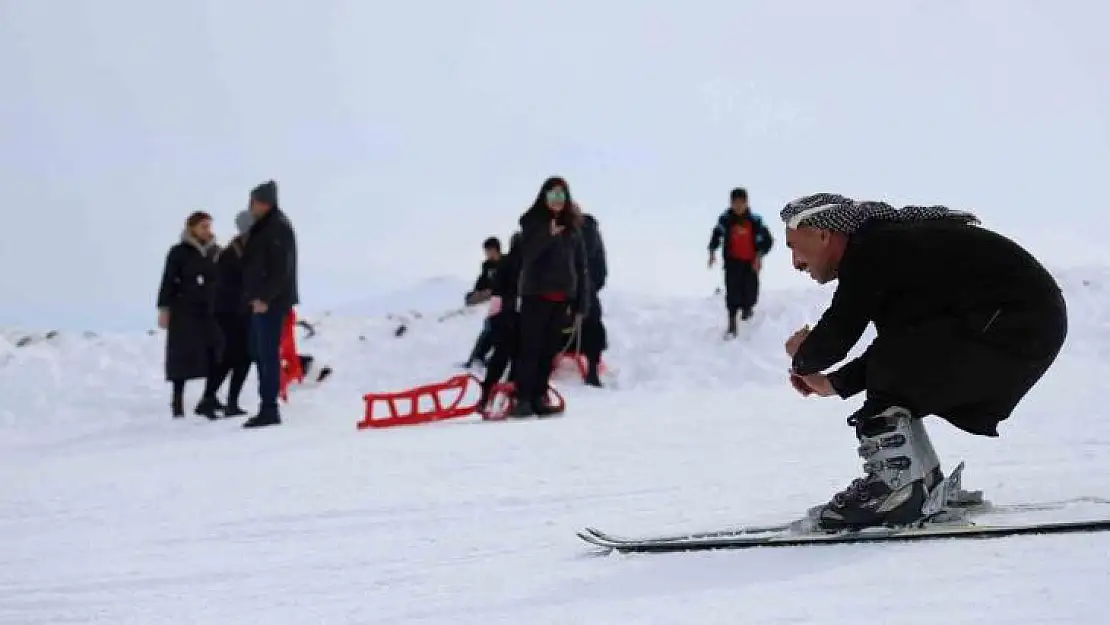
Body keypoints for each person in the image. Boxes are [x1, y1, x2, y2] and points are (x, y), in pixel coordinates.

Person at [779, 193, 1067, 531]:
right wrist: (834, 384)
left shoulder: (874, 247)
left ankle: (896, 490)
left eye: (793, 247)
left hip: (1013, 322)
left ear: (823, 234)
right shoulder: (890, 248)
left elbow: (841, 328)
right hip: (1022, 324)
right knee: (898, 366)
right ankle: (920, 484)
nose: (796, 263)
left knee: (894, 374)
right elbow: (902, 343)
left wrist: (803, 356)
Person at [511, 176, 590, 417]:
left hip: (562, 298)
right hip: (536, 295)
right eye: (553, 194)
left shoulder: (573, 229)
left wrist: (581, 302)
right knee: (530, 349)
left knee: (549, 351)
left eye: (561, 195)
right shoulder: (532, 223)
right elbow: (527, 256)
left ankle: (539, 395)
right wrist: (548, 234)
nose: (557, 199)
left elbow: (581, 267)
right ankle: (523, 398)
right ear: (544, 197)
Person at [240, 180, 299, 429]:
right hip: (261, 301)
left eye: (254, 201)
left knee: (267, 355)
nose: (252, 206)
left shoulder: (276, 228)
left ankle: (269, 408)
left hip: (270, 303)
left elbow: (279, 270)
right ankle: (267, 405)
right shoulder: (266, 227)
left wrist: (264, 297)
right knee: (260, 353)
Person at [156, 211, 223, 419]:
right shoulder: (178, 252)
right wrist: (164, 309)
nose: (208, 230)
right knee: (181, 356)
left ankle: (209, 399)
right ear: (192, 228)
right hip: (184, 310)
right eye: (203, 226)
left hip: (211, 310)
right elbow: (168, 280)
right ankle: (177, 403)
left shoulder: (216, 253)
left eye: (209, 226)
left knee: (217, 351)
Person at [202, 209, 254, 417]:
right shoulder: (236, 252)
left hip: (234, 310)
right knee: (238, 356)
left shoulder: (239, 249)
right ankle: (222, 401)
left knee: (236, 357)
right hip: (230, 311)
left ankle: (214, 399)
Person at [708, 188, 773, 336]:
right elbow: (716, 236)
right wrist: (712, 252)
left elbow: (768, 240)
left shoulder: (755, 220)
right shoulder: (725, 219)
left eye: (741, 203)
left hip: (751, 263)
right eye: (734, 203)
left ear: (746, 203)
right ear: (731, 203)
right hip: (732, 263)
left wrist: (759, 255)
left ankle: (747, 309)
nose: (738, 206)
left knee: (750, 291)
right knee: (732, 292)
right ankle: (732, 323)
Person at [476, 231, 523, 413]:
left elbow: (496, 289)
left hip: (498, 313)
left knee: (500, 356)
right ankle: (512, 394)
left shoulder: (503, 263)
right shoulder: (524, 264)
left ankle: (486, 394)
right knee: (518, 355)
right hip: (512, 314)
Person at [461, 237, 502, 368]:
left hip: (502, 298)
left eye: (490, 251)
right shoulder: (487, 266)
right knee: (488, 328)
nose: (488, 254)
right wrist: (477, 292)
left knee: (494, 328)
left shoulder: (506, 263)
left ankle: (486, 357)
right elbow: (481, 282)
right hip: (491, 298)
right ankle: (476, 358)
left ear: (496, 250)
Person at [578, 213, 608, 387]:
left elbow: (599, 268)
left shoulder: (586, 232)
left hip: (581, 289)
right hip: (573, 288)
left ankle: (592, 371)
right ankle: (592, 371)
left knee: (591, 323)